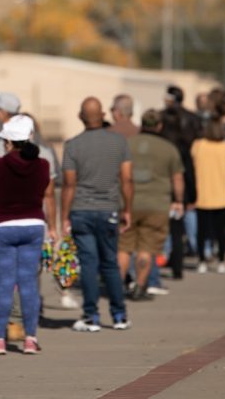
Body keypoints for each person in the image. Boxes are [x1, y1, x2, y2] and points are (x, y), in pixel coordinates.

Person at [0, 95, 58, 342]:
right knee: (28, 281)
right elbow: (49, 194)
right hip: (33, 223)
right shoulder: (45, 158)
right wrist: (53, 227)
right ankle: (23, 330)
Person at [61, 97, 132, 331]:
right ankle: (119, 315)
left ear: (81, 117)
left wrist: (64, 216)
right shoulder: (119, 143)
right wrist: (127, 209)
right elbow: (126, 179)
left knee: (89, 264)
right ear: (102, 116)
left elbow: (69, 185)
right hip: (109, 208)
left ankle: (91, 316)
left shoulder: (72, 145)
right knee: (110, 263)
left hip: (81, 209)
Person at [118, 110, 184, 293]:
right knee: (146, 248)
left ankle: (117, 287)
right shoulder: (169, 148)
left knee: (123, 247)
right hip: (157, 204)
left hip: (127, 203)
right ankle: (140, 286)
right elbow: (177, 178)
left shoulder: (127, 144)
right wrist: (178, 200)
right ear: (159, 126)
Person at [161, 85, 202, 276]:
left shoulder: (164, 118)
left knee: (171, 219)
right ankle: (192, 246)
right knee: (185, 212)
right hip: (185, 171)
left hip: (166, 173)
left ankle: (168, 253)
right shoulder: (192, 119)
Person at [191, 120, 225, 274]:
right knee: (221, 232)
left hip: (202, 194)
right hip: (222, 195)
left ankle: (202, 260)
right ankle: (221, 261)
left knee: (202, 231)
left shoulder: (198, 146)